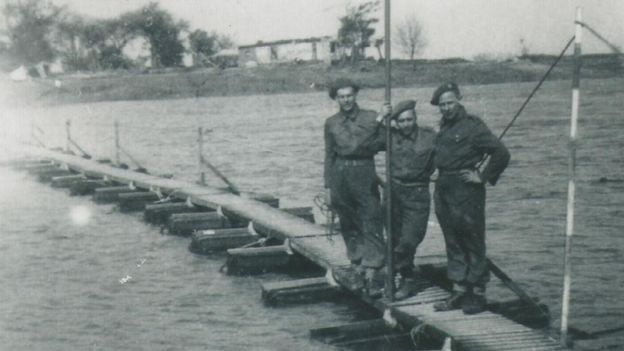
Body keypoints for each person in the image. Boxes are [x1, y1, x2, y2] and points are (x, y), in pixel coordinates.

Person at [430, 82, 510, 314]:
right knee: (452, 239)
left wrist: (483, 177)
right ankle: (458, 289)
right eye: (442, 104)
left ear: (459, 100)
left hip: (466, 190)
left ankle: (477, 293)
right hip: (444, 187)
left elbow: (502, 153)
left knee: (472, 239)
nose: (446, 108)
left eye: (450, 103)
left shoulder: (473, 126)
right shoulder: (444, 127)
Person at [368, 100, 436, 300]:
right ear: (396, 123)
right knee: (394, 238)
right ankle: (406, 279)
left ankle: (385, 273)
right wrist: (380, 118)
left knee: (409, 239)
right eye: (402, 121)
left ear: (415, 119)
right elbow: (365, 143)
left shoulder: (430, 137)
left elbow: (448, 154)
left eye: (410, 120)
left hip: (417, 193)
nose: (407, 124)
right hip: (394, 193)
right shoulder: (389, 136)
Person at [324, 78, 386, 297]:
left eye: (349, 95)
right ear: (336, 98)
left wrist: (382, 121)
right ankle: (357, 264)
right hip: (340, 174)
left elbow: (379, 143)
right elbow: (329, 155)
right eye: (341, 96)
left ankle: (374, 269)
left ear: (355, 95)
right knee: (348, 221)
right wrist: (327, 187)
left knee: (371, 218)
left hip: (363, 170)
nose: (346, 100)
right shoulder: (331, 123)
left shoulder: (371, 117)